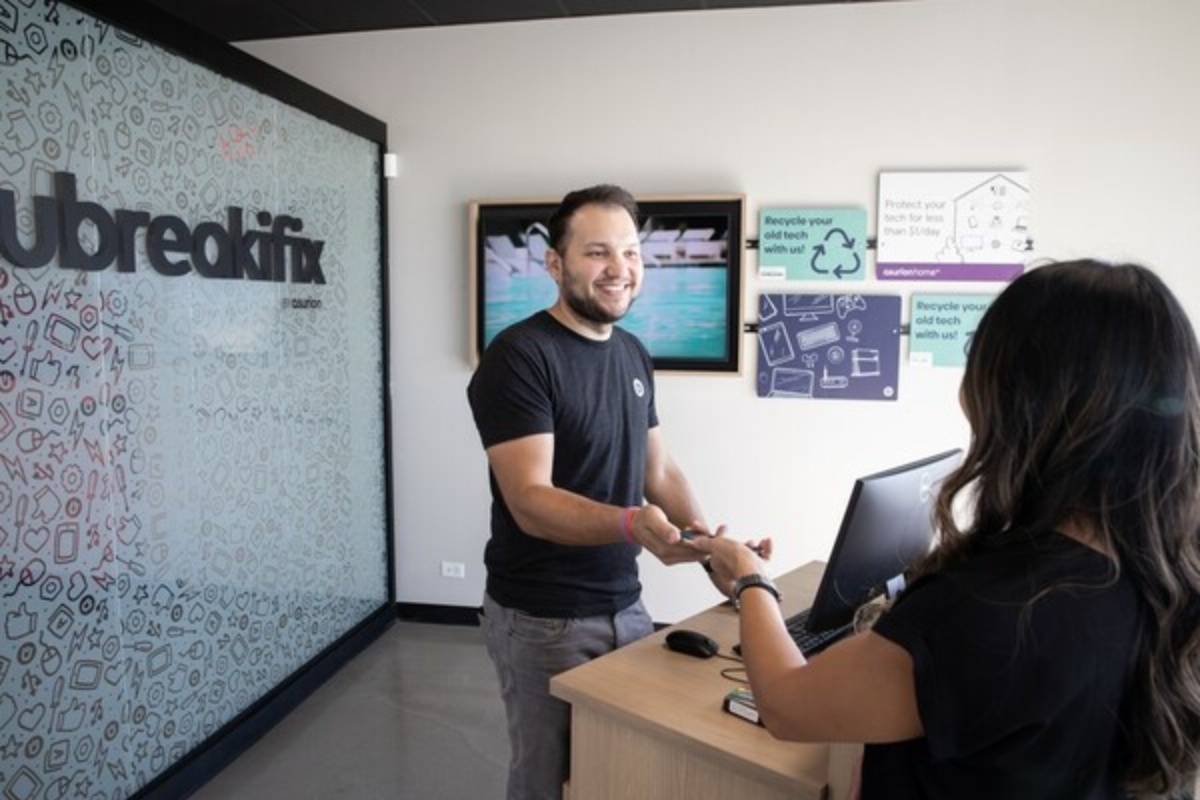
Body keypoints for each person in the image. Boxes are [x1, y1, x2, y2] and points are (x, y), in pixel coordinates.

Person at [693, 260, 1200, 799]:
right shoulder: (1171, 579)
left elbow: (785, 705)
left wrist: (750, 579)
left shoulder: (989, 614)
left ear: (1021, 401)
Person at [467, 184, 764, 800]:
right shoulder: (519, 357)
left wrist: (710, 549)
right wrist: (634, 525)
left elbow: (660, 469)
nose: (620, 269)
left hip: (624, 602)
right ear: (555, 264)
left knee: (617, 769)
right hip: (543, 617)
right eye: (597, 252)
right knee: (546, 783)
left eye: (630, 252)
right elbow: (530, 500)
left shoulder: (630, 352)